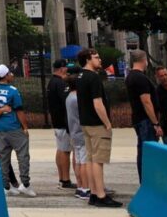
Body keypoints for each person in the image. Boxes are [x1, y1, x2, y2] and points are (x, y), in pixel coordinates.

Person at [0, 64, 36, 197]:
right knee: (23, 156)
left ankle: (5, 185)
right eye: (10, 73)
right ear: (5, 75)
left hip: (0, 128)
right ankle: (25, 184)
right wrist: (25, 127)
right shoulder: (12, 90)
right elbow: (19, 111)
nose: (12, 75)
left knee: (3, 158)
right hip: (13, 126)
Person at [75, 47, 121, 206]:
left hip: (86, 123)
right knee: (98, 160)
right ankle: (101, 195)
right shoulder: (93, 78)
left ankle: (93, 193)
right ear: (88, 59)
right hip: (97, 123)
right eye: (96, 57)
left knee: (90, 158)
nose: (99, 59)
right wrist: (107, 122)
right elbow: (97, 102)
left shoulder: (80, 76)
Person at [124, 51, 160, 179]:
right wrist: (155, 122)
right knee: (148, 151)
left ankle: (145, 179)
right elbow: (146, 101)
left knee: (143, 150)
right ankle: (148, 179)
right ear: (144, 60)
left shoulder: (131, 77)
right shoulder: (140, 78)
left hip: (139, 118)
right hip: (145, 120)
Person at [47, 60, 75, 189]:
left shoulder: (52, 82)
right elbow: (66, 100)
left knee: (61, 149)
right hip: (63, 121)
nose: (67, 71)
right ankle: (65, 179)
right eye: (66, 68)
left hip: (57, 120)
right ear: (61, 69)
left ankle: (62, 177)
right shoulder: (60, 83)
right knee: (65, 150)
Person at [65, 68, 92, 201]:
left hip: (74, 132)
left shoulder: (69, 97)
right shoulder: (77, 99)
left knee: (79, 160)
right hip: (81, 132)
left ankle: (80, 186)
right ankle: (85, 188)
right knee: (84, 161)